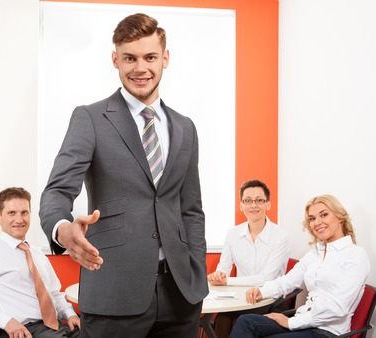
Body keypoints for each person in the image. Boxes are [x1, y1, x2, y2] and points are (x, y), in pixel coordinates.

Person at [39, 13, 208, 338]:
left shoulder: (185, 127)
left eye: (150, 57)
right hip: (113, 292)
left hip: (181, 295)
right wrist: (62, 229)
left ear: (165, 59)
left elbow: (191, 209)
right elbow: (56, 192)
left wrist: (196, 268)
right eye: (130, 58)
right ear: (115, 59)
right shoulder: (90, 118)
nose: (140, 68)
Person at [229, 194, 370, 338]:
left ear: (340, 217)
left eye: (324, 215)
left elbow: (337, 309)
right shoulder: (315, 253)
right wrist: (262, 291)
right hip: (302, 323)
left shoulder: (356, 255)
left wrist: (291, 323)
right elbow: (287, 282)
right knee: (246, 321)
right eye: (312, 218)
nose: (317, 222)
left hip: (327, 331)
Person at [0, 187, 80, 338]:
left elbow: (55, 294)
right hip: (25, 331)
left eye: (24, 212)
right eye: (11, 213)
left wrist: (69, 314)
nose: (19, 220)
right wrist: (6, 321)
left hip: (57, 327)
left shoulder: (38, 254)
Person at [207, 179, 289, 337]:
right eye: (248, 200)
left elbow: (266, 278)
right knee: (222, 320)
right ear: (241, 205)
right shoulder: (233, 233)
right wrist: (219, 275)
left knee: (238, 321)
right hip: (241, 299)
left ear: (268, 204)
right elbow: (224, 268)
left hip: (268, 299)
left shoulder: (280, 237)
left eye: (259, 200)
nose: (253, 205)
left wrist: (227, 281)